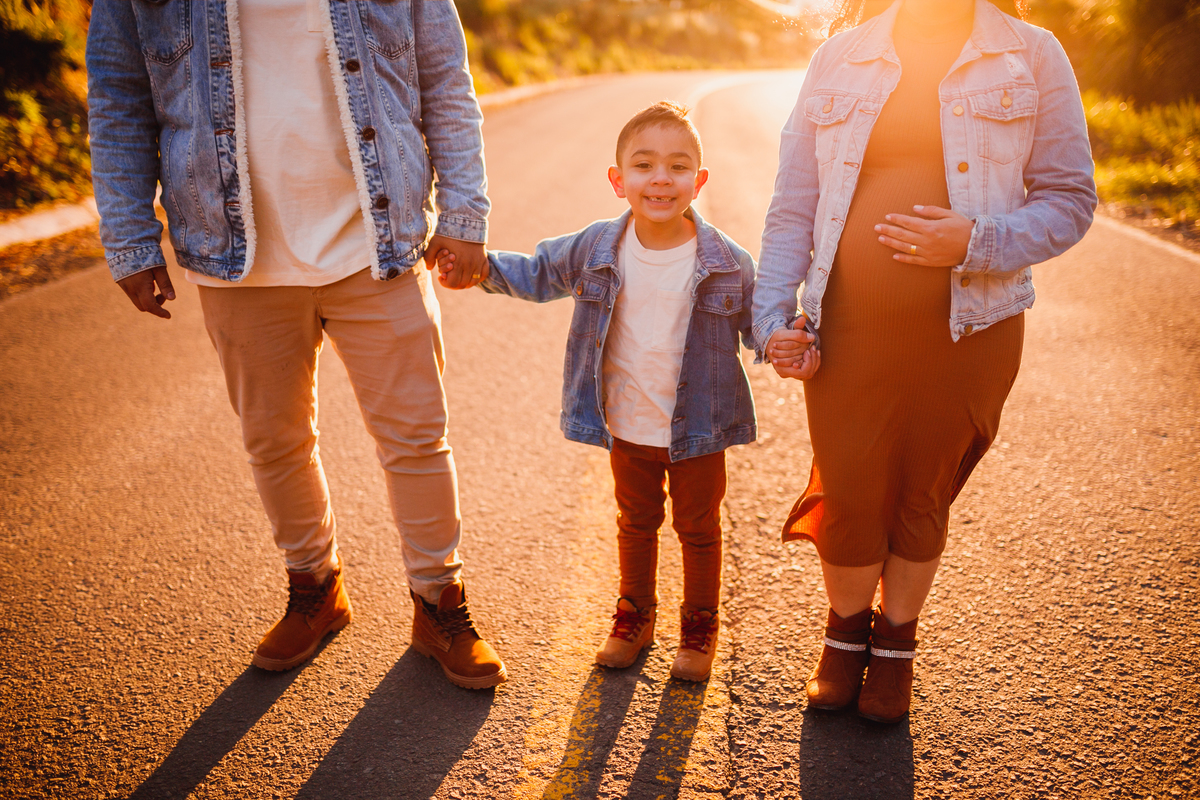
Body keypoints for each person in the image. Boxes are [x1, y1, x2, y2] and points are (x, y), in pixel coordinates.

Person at [86, 0, 506, 689]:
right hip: (234, 255)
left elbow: (445, 79)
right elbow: (119, 100)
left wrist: (464, 214)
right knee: (275, 441)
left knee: (417, 437)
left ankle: (440, 603)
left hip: (378, 242)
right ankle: (315, 587)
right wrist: (129, 238)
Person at [754, 0, 1095, 721]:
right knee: (851, 485)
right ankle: (844, 634)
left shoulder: (1032, 54)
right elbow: (793, 206)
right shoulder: (839, 57)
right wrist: (774, 319)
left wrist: (975, 240)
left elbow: (1070, 200)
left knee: (922, 489)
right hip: (850, 325)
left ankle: (897, 643)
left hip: (971, 331)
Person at [435, 102, 770, 682]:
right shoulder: (597, 248)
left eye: (678, 166)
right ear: (618, 180)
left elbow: (759, 323)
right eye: (643, 165)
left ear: (699, 181)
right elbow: (538, 272)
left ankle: (699, 628)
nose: (660, 178)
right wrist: (479, 267)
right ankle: (634, 618)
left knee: (698, 529)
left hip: (699, 429)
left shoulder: (727, 262)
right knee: (635, 522)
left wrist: (788, 339)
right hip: (627, 421)